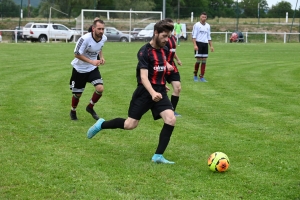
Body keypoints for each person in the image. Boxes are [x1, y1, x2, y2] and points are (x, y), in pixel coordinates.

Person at [86, 20, 176, 164]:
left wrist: (161, 84)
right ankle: (101, 124)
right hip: (145, 93)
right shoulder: (144, 51)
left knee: (171, 119)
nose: (167, 40)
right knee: (130, 125)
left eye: (168, 36)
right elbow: (143, 77)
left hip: (159, 91)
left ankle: (158, 156)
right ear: (156, 33)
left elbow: (159, 69)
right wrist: (152, 92)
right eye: (164, 36)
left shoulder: (164, 50)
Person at [69, 19, 107, 120]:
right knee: (78, 94)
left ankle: (90, 107)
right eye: (99, 29)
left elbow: (99, 48)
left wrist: (101, 57)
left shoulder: (104, 38)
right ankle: (73, 111)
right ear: (93, 28)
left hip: (92, 69)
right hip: (79, 69)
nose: (101, 31)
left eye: (103, 29)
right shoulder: (84, 39)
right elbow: (76, 54)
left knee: (100, 88)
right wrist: (92, 61)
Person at [164, 18, 182, 117]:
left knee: (178, 88)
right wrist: (166, 63)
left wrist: (178, 59)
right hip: (162, 66)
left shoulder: (174, 38)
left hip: (172, 65)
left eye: (172, 26)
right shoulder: (162, 38)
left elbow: (172, 51)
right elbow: (159, 53)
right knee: (160, 89)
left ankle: (172, 110)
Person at [192, 12, 214, 82]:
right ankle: (195, 75)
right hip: (198, 43)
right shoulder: (197, 25)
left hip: (205, 44)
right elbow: (194, 36)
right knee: (198, 60)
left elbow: (209, 36)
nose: (203, 18)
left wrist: (211, 46)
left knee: (204, 60)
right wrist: (195, 45)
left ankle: (202, 76)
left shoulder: (208, 26)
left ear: (206, 18)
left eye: (205, 17)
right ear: (200, 17)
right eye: (202, 17)